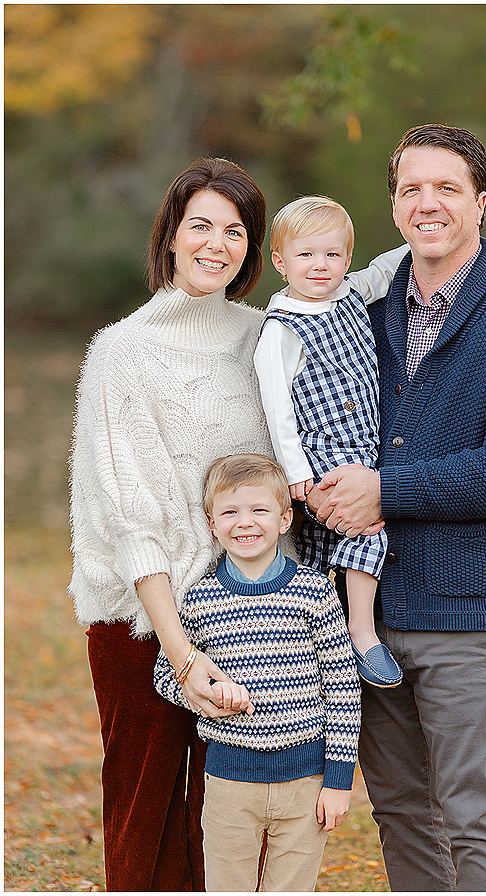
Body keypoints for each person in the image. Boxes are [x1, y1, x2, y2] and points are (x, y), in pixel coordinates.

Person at [305, 123, 486, 890]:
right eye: (411, 189)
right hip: (366, 613)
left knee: (474, 813)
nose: (428, 203)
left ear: (480, 203)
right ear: (394, 207)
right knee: (400, 811)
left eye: (447, 188)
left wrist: (383, 490)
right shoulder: (362, 311)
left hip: (468, 614)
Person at [70, 157, 273, 890]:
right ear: (171, 235)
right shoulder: (121, 351)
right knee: (146, 815)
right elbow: (129, 516)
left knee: (232, 820)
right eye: (200, 226)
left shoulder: (266, 338)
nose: (216, 244)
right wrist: (181, 654)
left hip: (246, 608)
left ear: (252, 247)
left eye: (235, 231)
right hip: (142, 619)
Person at [150, 453, 361, 890]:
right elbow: (164, 675)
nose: (244, 523)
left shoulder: (313, 592)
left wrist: (339, 781)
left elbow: (343, 688)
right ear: (212, 524)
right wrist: (208, 693)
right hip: (229, 780)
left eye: (259, 510)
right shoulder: (200, 599)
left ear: (285, 519)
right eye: (230, 512)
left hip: (306, 782)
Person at [254, 195, 410, 687]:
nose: (319, 265)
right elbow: (277, 408)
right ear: (281, 262)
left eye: (332, 254)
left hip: (366, 444)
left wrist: (419, 238)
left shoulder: (349, 295)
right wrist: (296, 471)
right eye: (305, 255)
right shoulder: (281, 329)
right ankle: (362, 634)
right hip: (324, 449)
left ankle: (321, 641)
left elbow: (385, 269)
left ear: (346, 258)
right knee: (366, 528)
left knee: (325, 548)